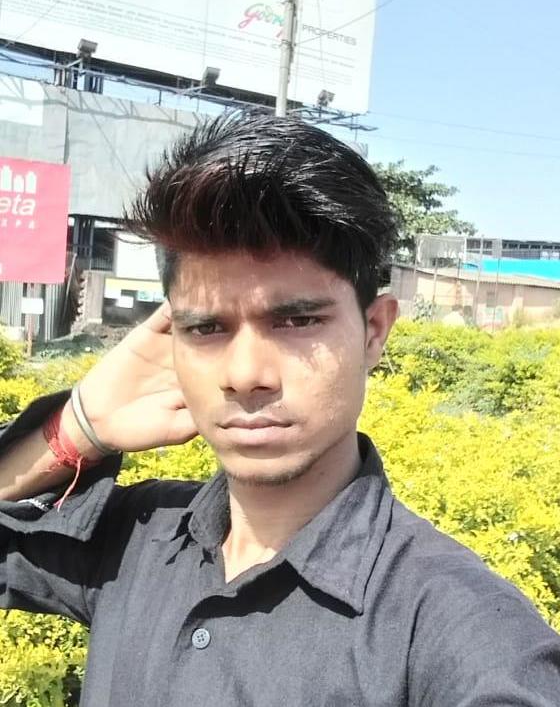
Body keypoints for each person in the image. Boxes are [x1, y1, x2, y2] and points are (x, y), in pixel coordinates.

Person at [1, 111, 559, 707]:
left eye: (297, 321)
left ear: (374, 332)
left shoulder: (461, 634)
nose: (246, 375)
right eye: (206, 328)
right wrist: (79, 425)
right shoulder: (136, 537)